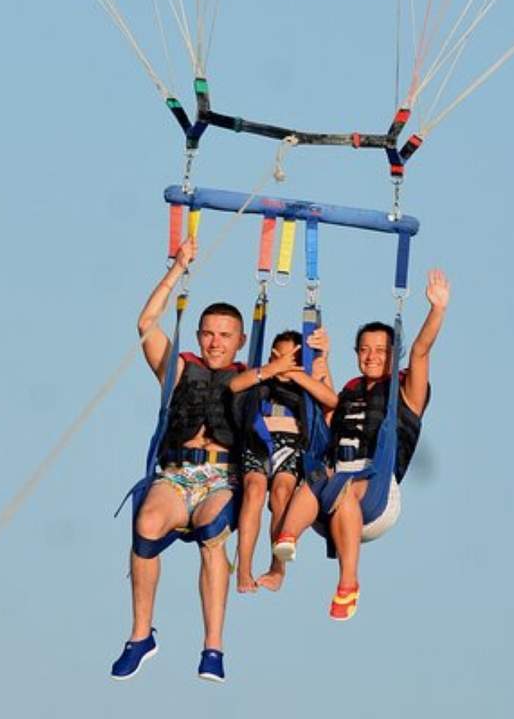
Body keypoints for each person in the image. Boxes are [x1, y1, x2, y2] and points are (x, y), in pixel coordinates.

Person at [271, 268, 451, 620]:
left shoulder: (405, 393)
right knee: (314, 482)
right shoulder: (350, 391)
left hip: (378, 491)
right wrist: (320, 358)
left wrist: (437, 310)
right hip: (335, 487)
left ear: (392, 355)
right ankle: (287, 539)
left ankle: (349, 582)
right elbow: (326, 418)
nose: (371, 356)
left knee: (343, 489)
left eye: (381, 351)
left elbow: (419, 352)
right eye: (365, 350)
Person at [111, 235, 246, 683]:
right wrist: (178, 268)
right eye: (207, 333)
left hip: (222, 479)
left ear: (240, 340)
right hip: (176, 473)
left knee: (212, 535)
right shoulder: (180, 369)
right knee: (145, 527)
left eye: (224, 336)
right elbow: (146, 322)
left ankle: (213, 647)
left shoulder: (252, 378)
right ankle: (140, 636)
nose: (214, 342)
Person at [228, 329, 337, 593]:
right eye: (278, 357)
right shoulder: (259, 379)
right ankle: (244, 569)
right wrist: (271, 368)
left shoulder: (305, 385)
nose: (283, 365)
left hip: (291, 448)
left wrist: (302, 373)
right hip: (258, 443)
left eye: (291, 359)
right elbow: (233, 386)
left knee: (281, 492)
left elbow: (332, 400)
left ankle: (277, 568)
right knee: (253, 490)